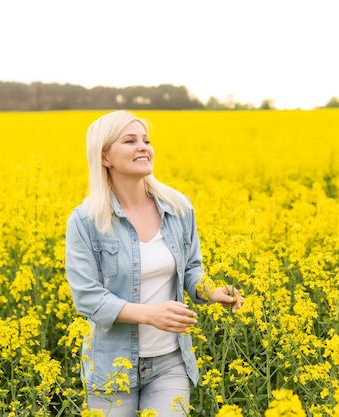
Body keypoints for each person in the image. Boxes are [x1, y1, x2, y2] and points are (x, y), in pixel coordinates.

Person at [65, 110, 243, 416]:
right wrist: (150, 315)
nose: (143, 147)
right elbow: (87, 297)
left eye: (146, 141)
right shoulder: (85, 220)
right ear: (105, 157)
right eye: (130, 141)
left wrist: (211, 291)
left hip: (169, 361)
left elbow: (191, 269)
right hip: (111, 366)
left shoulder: (178, 207)